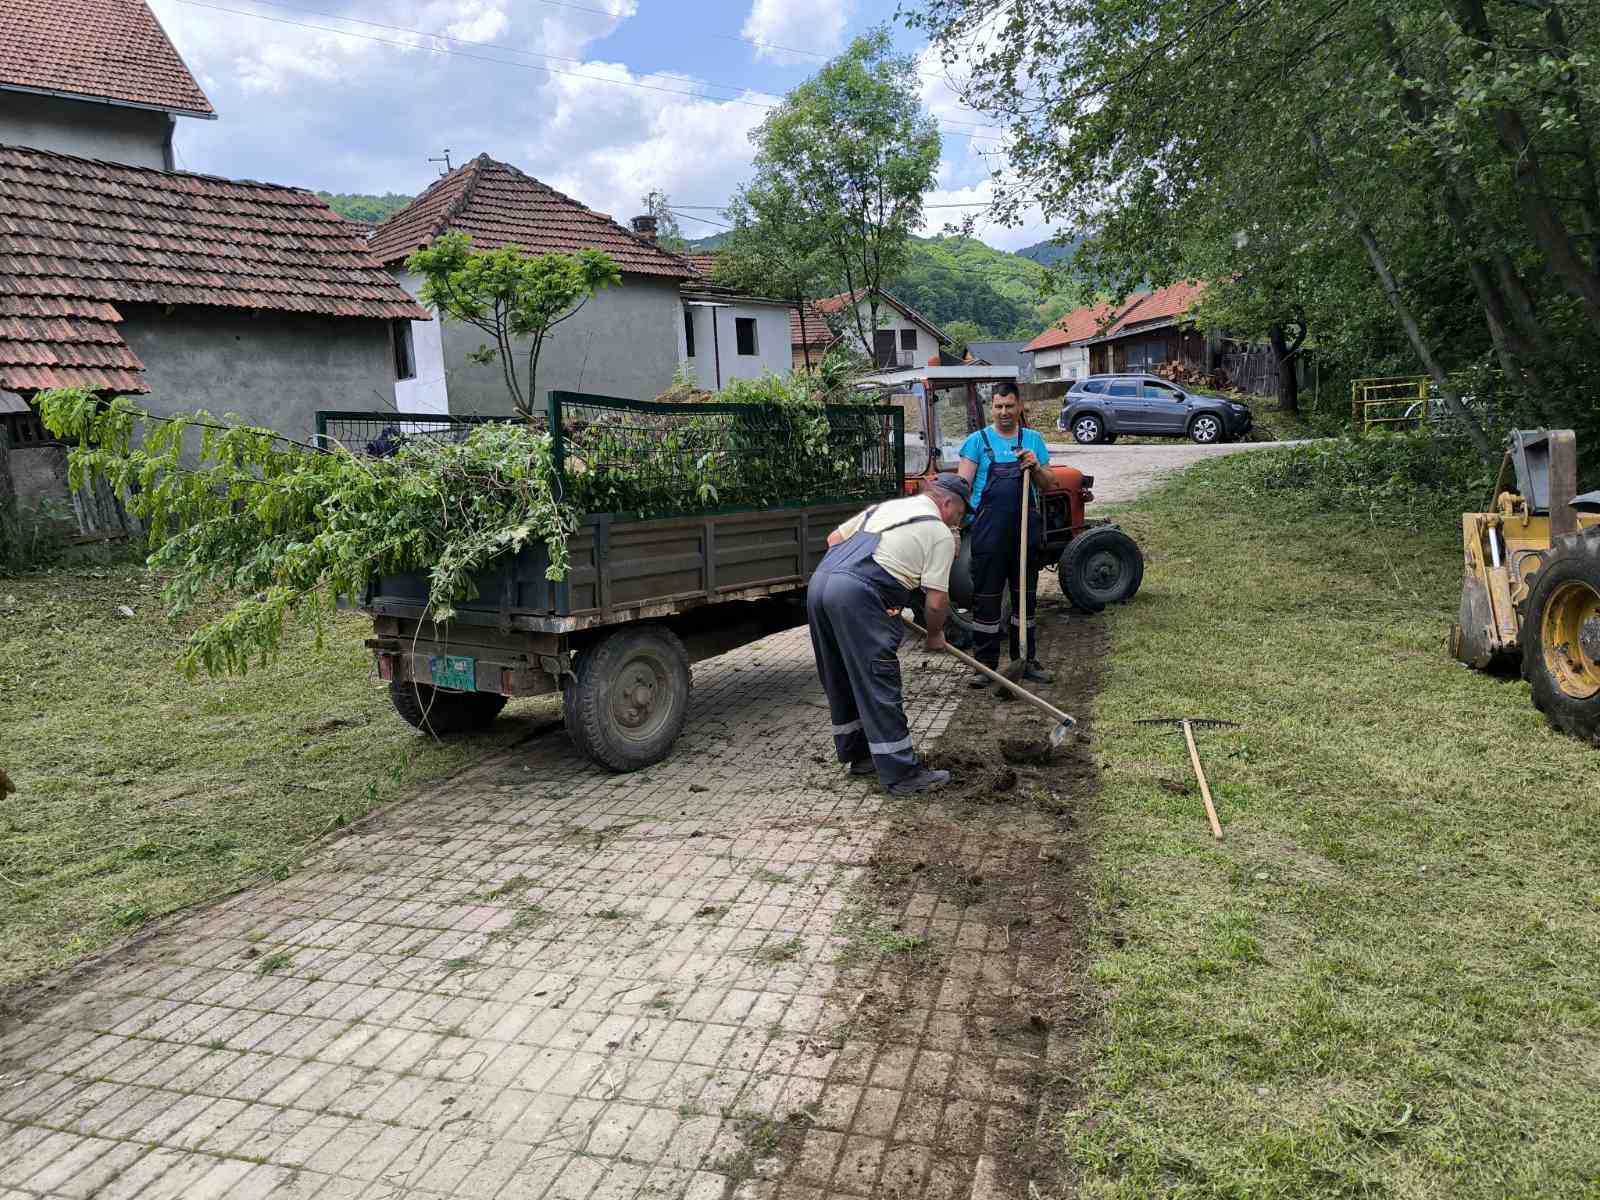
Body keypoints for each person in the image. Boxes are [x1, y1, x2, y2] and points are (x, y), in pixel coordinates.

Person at [807, 474, 971, 795]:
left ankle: (861, 756)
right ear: (947, 503)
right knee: (878, 678)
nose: (958, 523)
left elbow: (833, 540)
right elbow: (936, 601)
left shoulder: (884, 508)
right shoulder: (938, 530)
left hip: (820, 585)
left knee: (840, 675)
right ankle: (902, 774)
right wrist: (934, 636)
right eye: (960, 515)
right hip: (856, 594)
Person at [957, 380, 1054, 687]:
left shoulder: (1033, 440)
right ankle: (984, 666)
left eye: (1009, 406)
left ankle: (1024, 660)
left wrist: (1035, 467)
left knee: (1024, 600)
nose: (1003, 412)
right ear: (992, 408)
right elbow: (962, 488)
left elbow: (1049, 483)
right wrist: (954, 527)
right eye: (998, 407)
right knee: (985, 601)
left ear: (1019, 406)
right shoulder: (977, 441)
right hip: (987, 534)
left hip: (1024, 535)